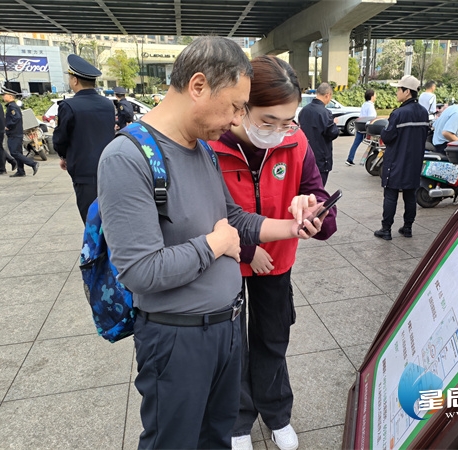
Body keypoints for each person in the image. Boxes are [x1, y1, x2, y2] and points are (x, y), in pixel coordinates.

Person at [97, 36, 326, 450]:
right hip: (178, 338)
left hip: (225, 326)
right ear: (198, 86)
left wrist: (293, 227)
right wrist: (214, 246)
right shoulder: (127, 157)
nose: (238, 119)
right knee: (175, 441)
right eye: (236, 106)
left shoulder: (201, 148)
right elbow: (140, 271)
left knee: (217, 436)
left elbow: (233, 218)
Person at [209, 55, 337, 450]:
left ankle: (277, 412)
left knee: (272, 338)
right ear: (241, 106)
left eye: (287, 121)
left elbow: (321, 204)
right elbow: (204, 214)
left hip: (277, 262)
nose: (278, 132)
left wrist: (314, 212)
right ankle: (237, 420)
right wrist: (248, 251)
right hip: (226, 265)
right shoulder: (210, 144)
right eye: (268, 121)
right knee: (232, 346)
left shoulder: (296, 142)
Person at [53, 54, 116, 223]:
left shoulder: (69, 106)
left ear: (75, 80)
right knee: (110, 216)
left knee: (91, 218)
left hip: (84, 171)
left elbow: (60, 138)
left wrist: (63, 156)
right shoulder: (107, 104)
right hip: (109, 167)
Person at [374, 75, 429, 241]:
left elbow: (387, 136)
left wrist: (383, 131)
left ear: (407, 92)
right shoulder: (423, 113)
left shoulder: (398, 114)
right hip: (414, 162)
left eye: (399, 89)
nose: (397, 92)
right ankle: (407, 227)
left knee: (390, 195)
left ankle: (386, 229)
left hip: (396, 161)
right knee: (410, 196)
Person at [298, 82, 339, 186]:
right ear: (327, 95)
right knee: (318, 188)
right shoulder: (325, 113)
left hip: (305, 155)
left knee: (306, 188)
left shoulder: (304, 110)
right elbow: (332, 133)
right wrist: (334, 124)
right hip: (321, 158)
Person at [2, 87, 38, 178]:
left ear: (10, 96)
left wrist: (8, 126)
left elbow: (16, 118)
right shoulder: (11, 106)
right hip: (16, 133)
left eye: (5, 95)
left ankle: (33, 164)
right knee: (18, 152)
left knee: (14, 152)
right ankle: (20, 171)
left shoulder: (12, 107)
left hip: (14, 133)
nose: (3, 97)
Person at [345, 88, 376, 166]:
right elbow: (371, 118)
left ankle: (349, 159)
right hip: (366, 127)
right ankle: (375, 156)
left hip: (360, 126)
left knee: (355, 144)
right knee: (374, 142)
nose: (376, 96)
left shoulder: (364, 104)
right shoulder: (370, 106)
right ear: (372, 96)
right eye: (375, 95)